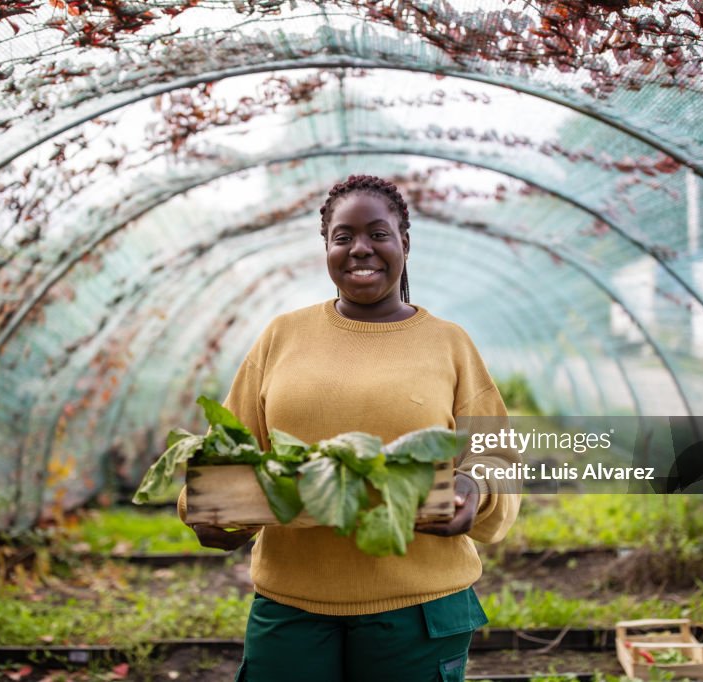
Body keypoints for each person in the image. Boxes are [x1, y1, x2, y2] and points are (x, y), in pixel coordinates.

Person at [187, 174, 521, 681]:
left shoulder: (448, 343)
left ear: (403, 243)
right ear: (326, 247)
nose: (360, 249)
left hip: (419, 609)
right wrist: (212, 511)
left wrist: (473, 487)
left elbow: (497, 456)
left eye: (378, 234)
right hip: (292, 606)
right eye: (343, 237)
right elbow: (228, 451)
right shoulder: (282, 336)